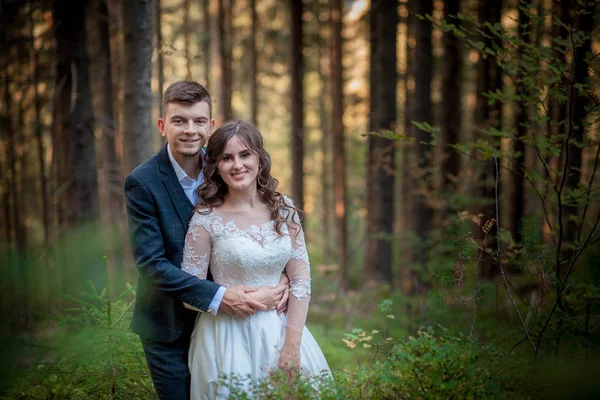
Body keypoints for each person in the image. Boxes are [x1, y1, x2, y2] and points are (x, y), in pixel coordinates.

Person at [124, 81, 289, 400]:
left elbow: (258, 228)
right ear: (162, 126)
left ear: (210, 126)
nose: (190, 129)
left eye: (199, 121)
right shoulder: (142, 183)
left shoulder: (227, 169)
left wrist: (278, 274)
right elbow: (152, 264)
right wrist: (219, 296)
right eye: (179, 120)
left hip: (228, 329)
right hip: (169, 328)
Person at [181, 119, 331, 399]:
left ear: (260, 159)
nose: (237, 165)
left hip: (281, 330)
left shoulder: (284, 209)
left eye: (245, 154)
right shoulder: (205, 219)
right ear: (216, 166)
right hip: (224, 338)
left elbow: (300, 279)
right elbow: (190, 293)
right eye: (227, 158)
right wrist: (234, 297)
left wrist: (292, 344)